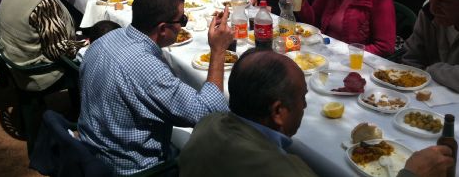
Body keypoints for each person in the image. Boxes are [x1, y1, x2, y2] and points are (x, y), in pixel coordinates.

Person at [179, 49, 455, 177]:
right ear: (278, 111)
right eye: (302, 98)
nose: (306, 106)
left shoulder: (208, 122)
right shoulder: (289, 171)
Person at [78, 0, 234, 175]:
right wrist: (218, 50)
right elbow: (211, 114)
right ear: (163, 29)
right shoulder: (146, 68)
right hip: (132, 167)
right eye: (182, 20)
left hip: (91, 149)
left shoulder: (104, 40)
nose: (183, 24)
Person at [0, 0, 87, 91]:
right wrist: (85, 43)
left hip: (12, 57)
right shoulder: (44, 3)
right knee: (95, 57)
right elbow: (57, 51)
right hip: (34, 73)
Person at [402, 0, 459, 92]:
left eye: (443, 2)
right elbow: (411, 57)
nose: (434, 8)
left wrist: (433, 70)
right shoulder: (428, 11)